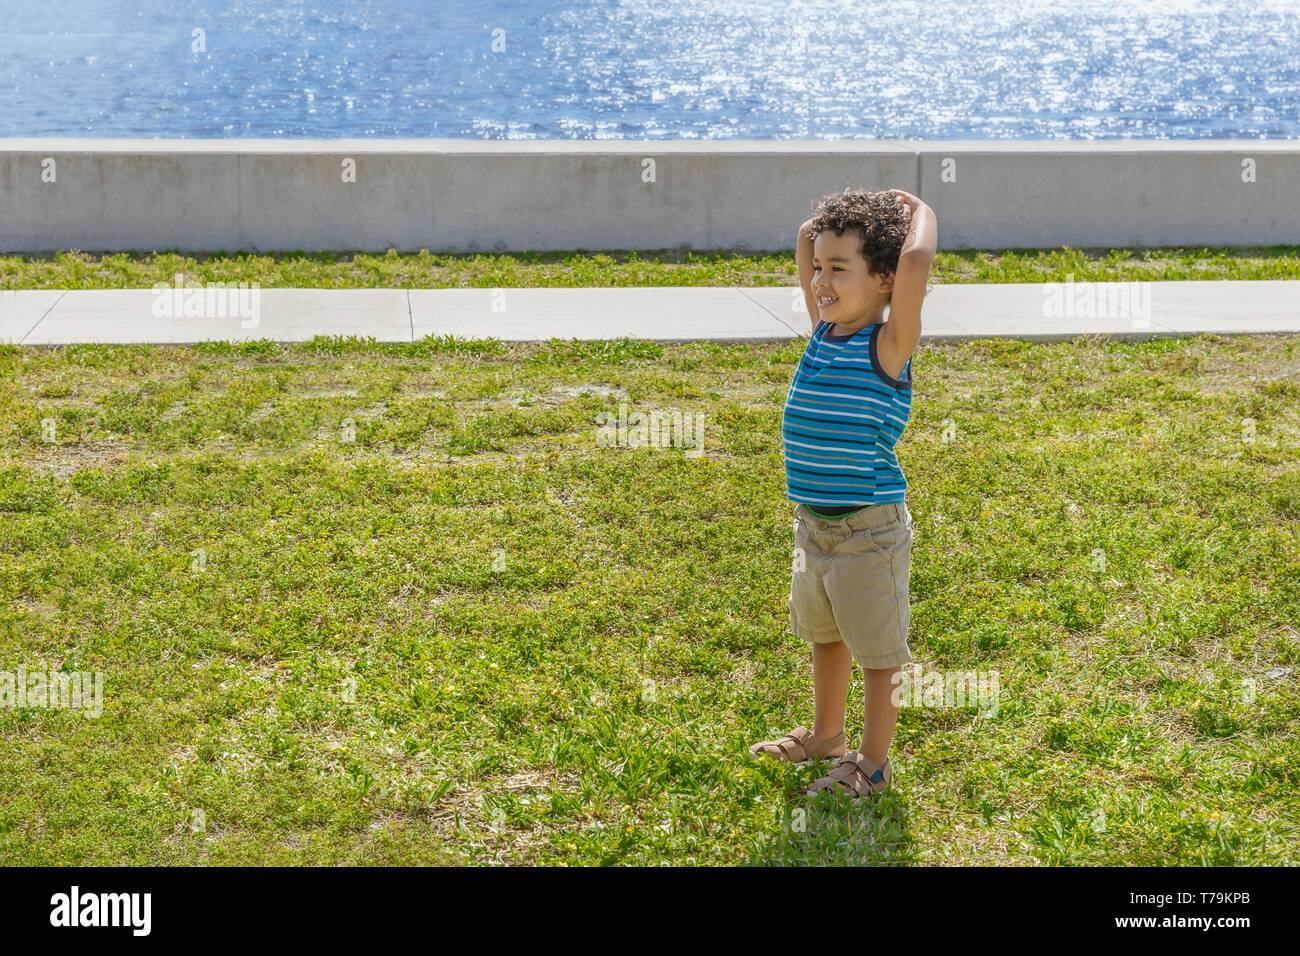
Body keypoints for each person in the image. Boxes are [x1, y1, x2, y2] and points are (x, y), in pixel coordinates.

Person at [748, 187, 937, 799]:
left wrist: (918, 212)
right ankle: (827, 737)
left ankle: (873, 764)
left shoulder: (888, 346)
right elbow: (806, 237)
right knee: (824, 637)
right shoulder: (822, 333)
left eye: (839, 269)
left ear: (883, 279)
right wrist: (835, 224)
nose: (820, 281)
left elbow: (915, 262)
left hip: (867, 531)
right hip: (815, 528)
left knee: (878, 653)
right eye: (819, 270)